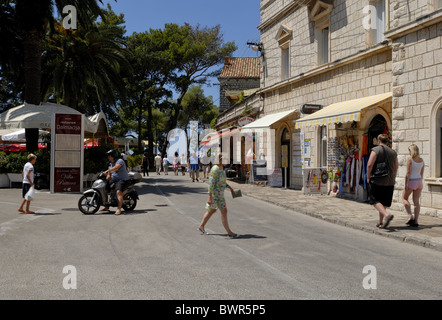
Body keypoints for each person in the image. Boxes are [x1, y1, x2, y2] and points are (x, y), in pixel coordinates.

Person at [198, 154, 238, 238]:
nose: (227, 161)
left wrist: (230, 187)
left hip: (220, 194)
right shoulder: (215, 169)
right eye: (225, 159)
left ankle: (201, 226)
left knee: (212, 211)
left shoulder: (221, 169)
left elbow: (222, 181)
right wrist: (209, 197)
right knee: (222, 211)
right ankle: (229, 232)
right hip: (215, 195)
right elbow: (211, 184)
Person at [367, 134, 398, 228]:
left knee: (374, 200)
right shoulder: (393, 152)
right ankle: (380, 222)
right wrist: (393, 177)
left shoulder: (376, 150)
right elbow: (396, 166)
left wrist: (368, 177)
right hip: (390, 181)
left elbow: (369, 165)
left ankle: (387, 215)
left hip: (378, 180)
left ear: (378, 141)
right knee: (383, 202)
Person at [101, 150, 129, 215]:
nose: (108, 157)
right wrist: (108, 175)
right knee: (105, 189)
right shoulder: (110, 164)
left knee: (118, 191)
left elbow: (116, 167)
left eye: (109, 156)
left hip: (122, 179)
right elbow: (110, 173)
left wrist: (108, 170)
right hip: (114, 179)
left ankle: (119, 209)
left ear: (113, 156)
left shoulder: (120, 161)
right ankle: (106, 206)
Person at [402, 144, 424, 227]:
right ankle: (416, 221)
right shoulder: (422, 160)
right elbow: (421, 173)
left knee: (404, 198)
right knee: (416, 202)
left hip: (411, 181)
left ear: (411, 151)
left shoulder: (410, 159)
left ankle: (410, 216)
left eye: (409, 151)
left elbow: (408, 173)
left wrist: (406, 184)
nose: (408, 152)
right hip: (419, 182)